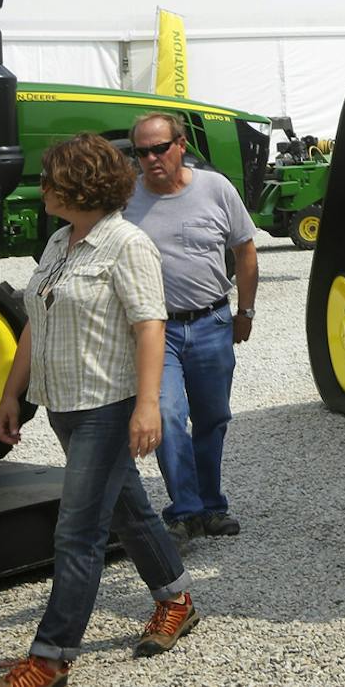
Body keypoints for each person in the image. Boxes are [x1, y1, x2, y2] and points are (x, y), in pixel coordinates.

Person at [0, 134, 198, 687]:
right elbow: (35, 318)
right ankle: (177, 599)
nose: (41, 187)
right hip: (64, 404)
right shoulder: (60, 241)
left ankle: (51, 657)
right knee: (129, 510)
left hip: (108, 406)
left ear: (79, 186)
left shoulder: (127, 244)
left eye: (50, 178)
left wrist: (147, 406)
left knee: (77, 533)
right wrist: (12, 394)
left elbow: (150, 326)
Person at [125, 111, 258, 541]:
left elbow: (245, 251)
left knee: (212, 418)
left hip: (211, 321)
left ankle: (211, 505)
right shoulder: (126, 199)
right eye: (141, 152)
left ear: (181, 145)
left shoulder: (215, 189)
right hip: (155, 331)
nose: (151, 159)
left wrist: (245, 313)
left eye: (159, 148)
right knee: (165, 414)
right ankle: (185, 510)